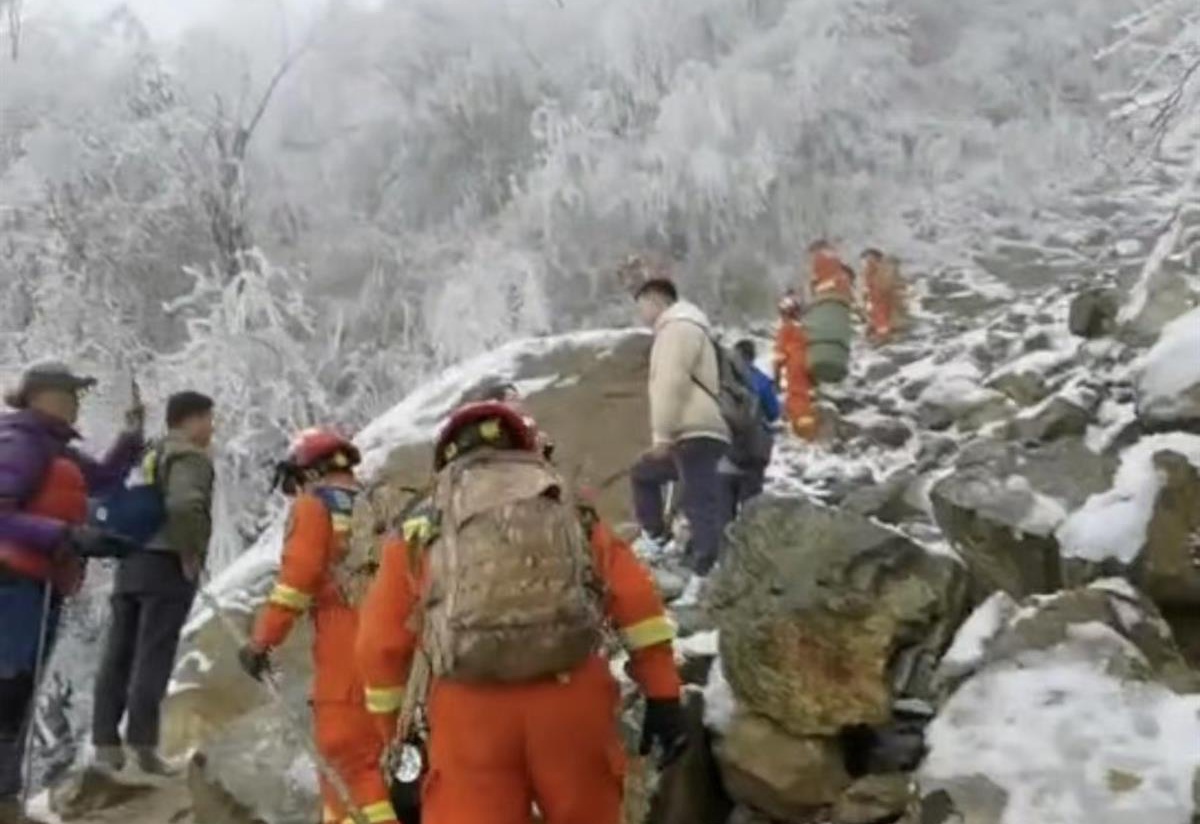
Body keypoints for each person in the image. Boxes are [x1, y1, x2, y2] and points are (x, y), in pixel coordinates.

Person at [356, 401, 684, 824]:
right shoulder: (563, 503)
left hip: (468, 713)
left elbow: (378, 645)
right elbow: (636, 599)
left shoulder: (423, 523)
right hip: (571, 700)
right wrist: (662, 692)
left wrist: (397, 742)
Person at [0, 362, 144, 822]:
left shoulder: (54, 447)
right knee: (7, 691)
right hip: (10, 587)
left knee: (18, 695)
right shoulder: (21, 439)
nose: (76, 402)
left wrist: (131, 437)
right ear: (40, 395)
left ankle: (5, 800)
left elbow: (101, 481)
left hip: (38, 587)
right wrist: (64, 537)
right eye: (70, 393)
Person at [238, 429, 397, 824]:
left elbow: (298, 579)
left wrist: (261, 642)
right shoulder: (380, 507)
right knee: (383, 765)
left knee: (350, 767)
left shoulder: (314, 508)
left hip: (346, 658)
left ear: (306, 473)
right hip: (396, 651)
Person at [91, 391, 216, 776]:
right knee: (153, 654)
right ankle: (144, 746)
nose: (212, 428)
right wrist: (190, 551)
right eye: (209, 419)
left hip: (131, 561)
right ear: (191, 420)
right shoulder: (189, 456)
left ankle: (106, 743)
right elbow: (183, 505)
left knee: (119, 654)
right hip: (166, 564)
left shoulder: (149, 453)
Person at [629, 278, 730, 582]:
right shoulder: (687, 328)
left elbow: (670, 384)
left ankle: (703, 568)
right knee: (645, 474)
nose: (641, 314)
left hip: (694, 428)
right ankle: (660, 540)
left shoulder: (677, 329)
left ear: (655, 301)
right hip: (699, 426)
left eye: (642, 306)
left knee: (700, 499)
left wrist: (662, 435)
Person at [717, 340, 779, 521]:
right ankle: (749, 546)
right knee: (751, 512)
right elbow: (774, 413)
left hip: (724, 455)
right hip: (754, 454)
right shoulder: (761, 380)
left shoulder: (720, 380)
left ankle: (722, 546)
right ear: (752, 358)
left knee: (722, 513)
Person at [774, 293, 818, 440]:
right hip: (810, 362)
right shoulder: (805, 329)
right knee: (806, 395)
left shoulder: (786, 329)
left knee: (797, 396)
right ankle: (809, 427)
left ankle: (804, 432)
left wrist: (776, 375)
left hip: (795, 364)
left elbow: (779, 355)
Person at [861, 248, 905, 343]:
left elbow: (885, 299)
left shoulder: (881, 279)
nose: (866, 266)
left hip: (891, 332)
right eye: (865, 263)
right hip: (882, 331)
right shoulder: (869, 284)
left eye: (869, 262)